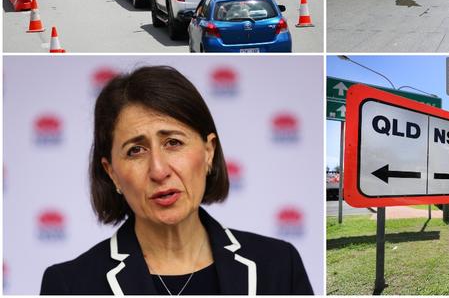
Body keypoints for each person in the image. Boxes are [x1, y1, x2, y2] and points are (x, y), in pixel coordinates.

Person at [40, 66, 313, 295]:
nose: (159, 171)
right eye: (136, 150)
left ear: (208, 152)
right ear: (112, 173)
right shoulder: (68, 285)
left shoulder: (278, 265)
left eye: (173, 142)